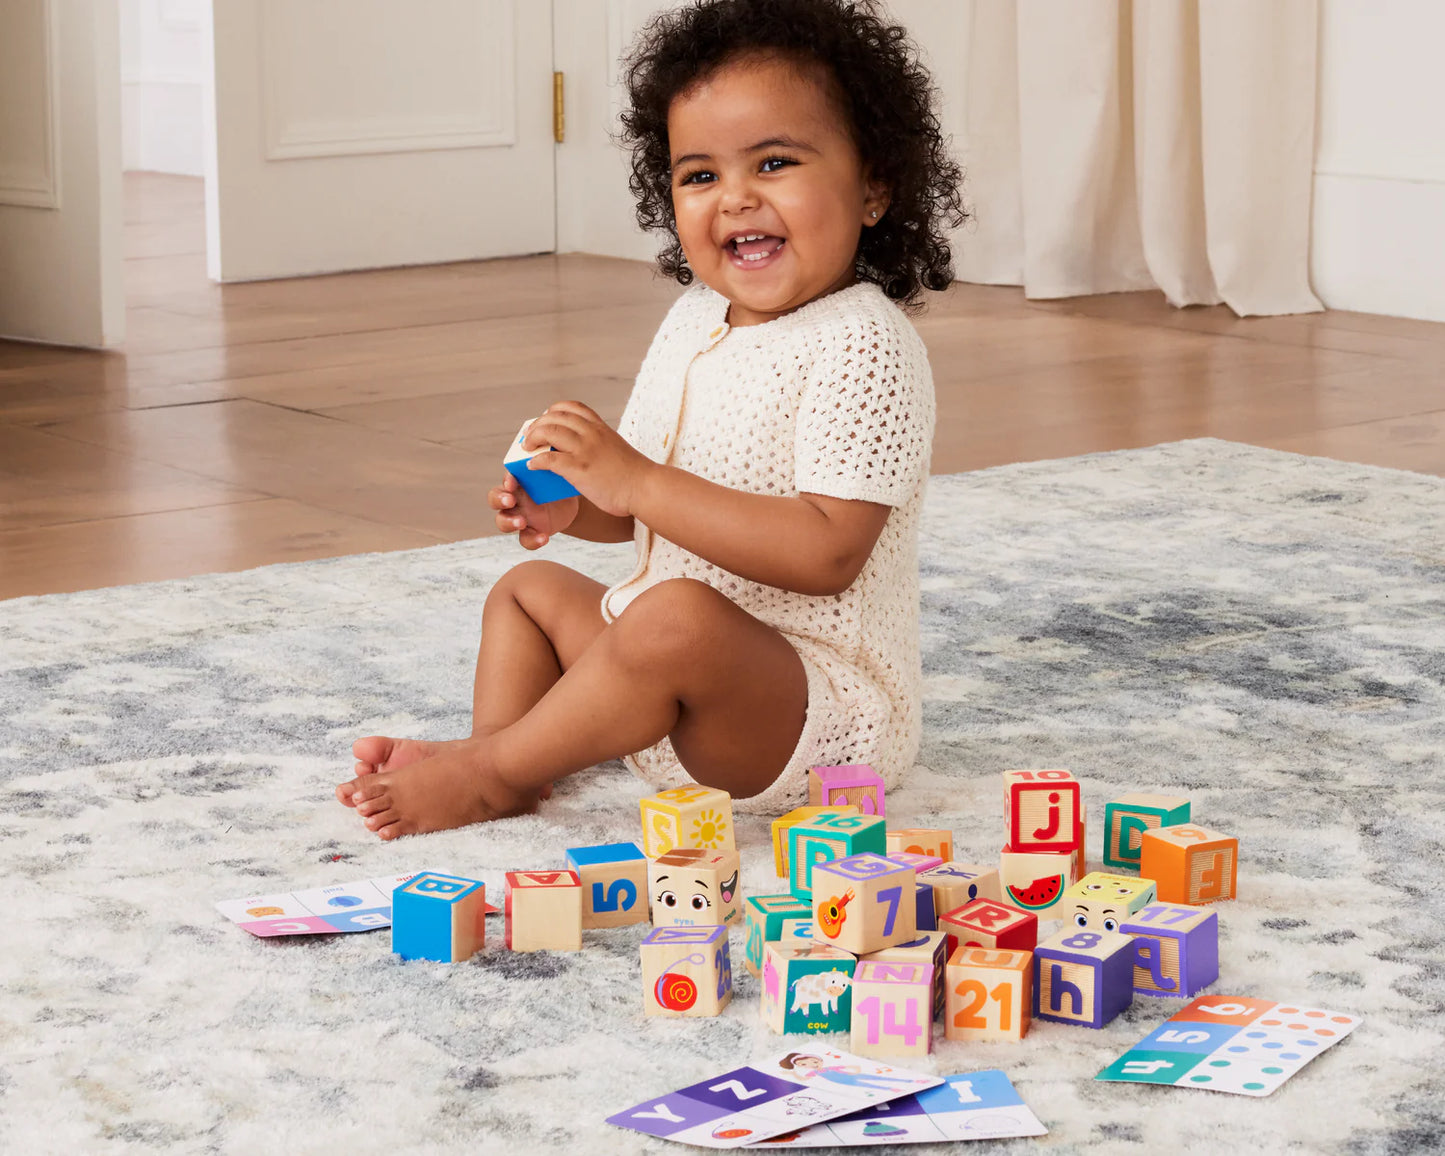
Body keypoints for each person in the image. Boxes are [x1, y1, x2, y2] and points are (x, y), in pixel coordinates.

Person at [335, 0, 964, 840]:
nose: (734, 199)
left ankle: (489, 775)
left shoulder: (865, 345)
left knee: (672, 616)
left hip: (806, 721)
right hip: (666, 679)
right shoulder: (694, 320)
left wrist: (634, 479)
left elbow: (826, 553)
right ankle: (513, 754)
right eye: (699, 175)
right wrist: (576, 505)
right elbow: (647, 512)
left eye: (774, 163)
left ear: (874, 186)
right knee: (528, 591)